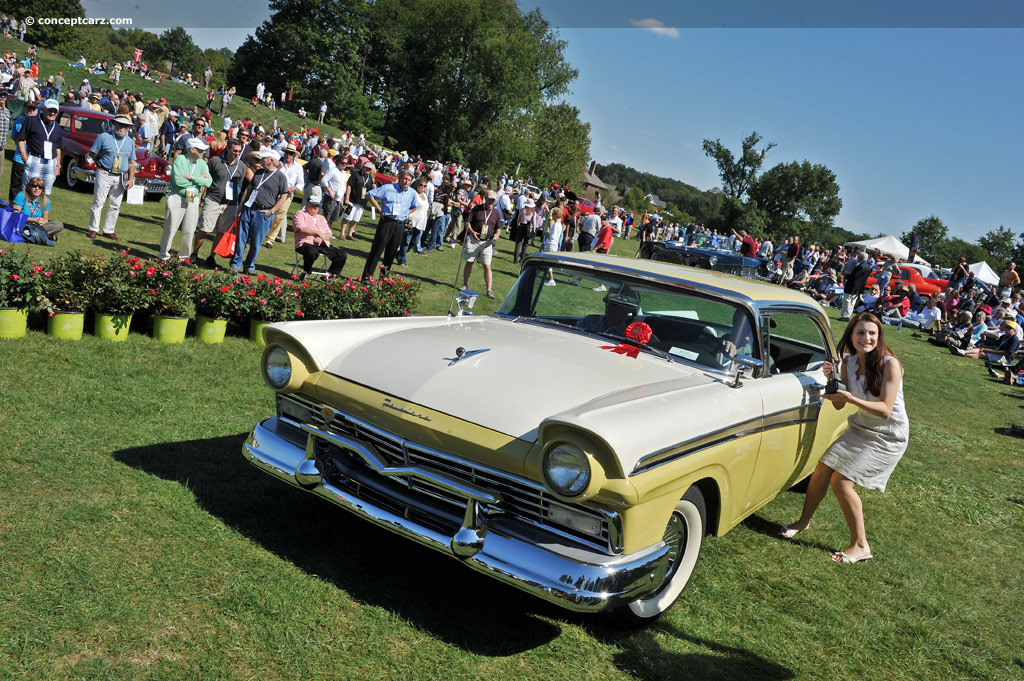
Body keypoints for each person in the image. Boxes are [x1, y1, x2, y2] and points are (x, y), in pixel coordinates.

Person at [781, 312, 908, 564]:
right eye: (860, 332)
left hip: (888, 436)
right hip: (860, 428)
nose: (866, 338)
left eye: (872, 333)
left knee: (841, 482)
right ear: (851, 335)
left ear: (879, 337)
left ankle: (861, 546)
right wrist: (833, 380)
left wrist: (850, 398)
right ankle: (803, 522)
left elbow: (884, 410)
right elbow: (840, 406)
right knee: (821, 471)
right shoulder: (847, 363)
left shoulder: (889, 364)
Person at [231, 149, 290, 274]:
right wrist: (241, 207)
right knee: (241, 238)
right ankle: (236, 265)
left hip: (263, 213)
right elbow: (248, 190)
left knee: (256, 242)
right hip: (249, 208)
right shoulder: (258, 172)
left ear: (271, 161)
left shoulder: (281, 177)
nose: (261, 160)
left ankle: (249, 266)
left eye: (264, 158)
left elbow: (283, 197)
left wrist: (272, 211)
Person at [192, 137, 246, 266]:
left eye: (239, 151)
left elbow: (241, 185)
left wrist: (239, 206)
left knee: (222, 231)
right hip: (213, 200)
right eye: (234, 150)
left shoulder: (242, 166)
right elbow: (204, 179)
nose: (237, 154)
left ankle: (211, 257)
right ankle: (194, 253)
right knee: (205, 228)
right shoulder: (215, 162)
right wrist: (200, 196)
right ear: (227, 148)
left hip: (230, 204)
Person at [159, 138, 212, 263]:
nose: (204, 152)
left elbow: (208, 181)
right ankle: (164, 255)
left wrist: (193, 178)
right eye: (201, 150)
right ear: (192, 150)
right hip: (177, 196)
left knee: (190, 229)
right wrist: (198, 181)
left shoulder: (202, 164)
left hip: (193, 199)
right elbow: (178, 181)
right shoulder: (180, 160)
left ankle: (184, 257)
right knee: (170, 227)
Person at [361, 168, 416, 279]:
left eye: (409, 180)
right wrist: (379, 209)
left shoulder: (412, 193)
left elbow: (414, 207)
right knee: (377, 251)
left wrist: (405, 214)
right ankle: (367, 277)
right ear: (399, 178)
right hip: (387, 222)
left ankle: (383, 279)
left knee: (391, 253)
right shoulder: (388, 188)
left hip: (400, 225)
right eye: (404, 179)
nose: (406, 182)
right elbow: (369, 194)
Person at [294, 187, 346, 278]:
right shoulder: (300, 214)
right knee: (312, 252)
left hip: (323, 244)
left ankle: (329, 274)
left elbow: (329, 234)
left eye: (317, 206)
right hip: (305, 243)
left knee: (342, 255)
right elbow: (301, 229)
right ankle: (306, 272)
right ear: (307, 205)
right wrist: (318, 233)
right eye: (313, 205)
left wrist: (321, 238)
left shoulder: (321, 218)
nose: (315, 208)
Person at [14, 98, 61, 196]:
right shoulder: (31, 120)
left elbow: (58, 148)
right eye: (50, 110)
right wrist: (25, 157)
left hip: (51, 163)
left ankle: (39, 211)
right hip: (35, 159)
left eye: (55, 111)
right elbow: (21, 139)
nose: (52, 113)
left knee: (45, 192)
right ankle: (25, 211)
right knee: (29, 190)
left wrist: (57, 166)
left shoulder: (57, 126)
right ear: (43, 109)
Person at [460, 189, 502, 297]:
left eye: (493, 200)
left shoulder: (496, 213)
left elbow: (498, 229)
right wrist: (472, 232)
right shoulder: (477, 209)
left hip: (487, 243)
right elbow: (467, 223)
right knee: (469, 262)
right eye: (490, 200)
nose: (492, 203)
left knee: (487, 266)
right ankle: (464, 284)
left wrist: (496, 236)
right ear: (485, 199)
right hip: (474, 240)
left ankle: (489, 290)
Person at [263, 143, 304, 247]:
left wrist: (294, 188)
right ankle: (263, 233)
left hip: (286, 194)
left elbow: (301, 184)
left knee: (279, 216)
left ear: (294, 155)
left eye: (291, 153)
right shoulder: (277, 162)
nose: (288, 155)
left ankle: (270, 239)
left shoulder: (298, 168)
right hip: (273, 191)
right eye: (287, 152)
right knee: (267, 212)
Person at [12, 176, 63, 241]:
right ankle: (43, 236)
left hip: (37, 227)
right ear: (29, 187)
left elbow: (45, 219)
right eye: (34, 186)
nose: (37, 188)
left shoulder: (46, 200)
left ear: (42, 190)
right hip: (21, 224)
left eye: (40, 187)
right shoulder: (21, 196)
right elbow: (15, 216)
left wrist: (43, 222)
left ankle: (34, 234)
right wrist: (33, 220)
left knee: (58, 225)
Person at [840, 251, 873, 321]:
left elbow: (855, 276)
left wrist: (846, 276)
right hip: (859, 287)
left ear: (860, 257)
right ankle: (848, 315)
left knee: (847, 300)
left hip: (852, 286)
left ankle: (845, 316)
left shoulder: (860, 266)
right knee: (852, 301)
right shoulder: (868, 267)